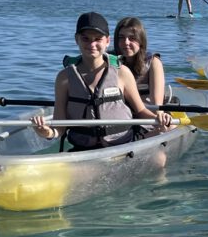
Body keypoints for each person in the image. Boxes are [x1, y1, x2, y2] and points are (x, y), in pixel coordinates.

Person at [31, 12, 172, 152]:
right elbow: (59, 127)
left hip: (122, 146)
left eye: (98, 39)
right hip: (82, 149)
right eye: (85, 39)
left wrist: (159, 118)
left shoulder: (122, 72)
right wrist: (47, 132)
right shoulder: (64, 77)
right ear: (76, 39)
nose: (92, 44)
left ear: (107, 41)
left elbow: (140, 111)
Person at [114, 17, 165, 107]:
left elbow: (156, 104)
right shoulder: (110, 61)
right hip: (119, 112)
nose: (126, 42)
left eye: (132, 38)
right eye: (121, 37)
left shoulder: (153, 62)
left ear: (141, 41)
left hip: (148, 112)